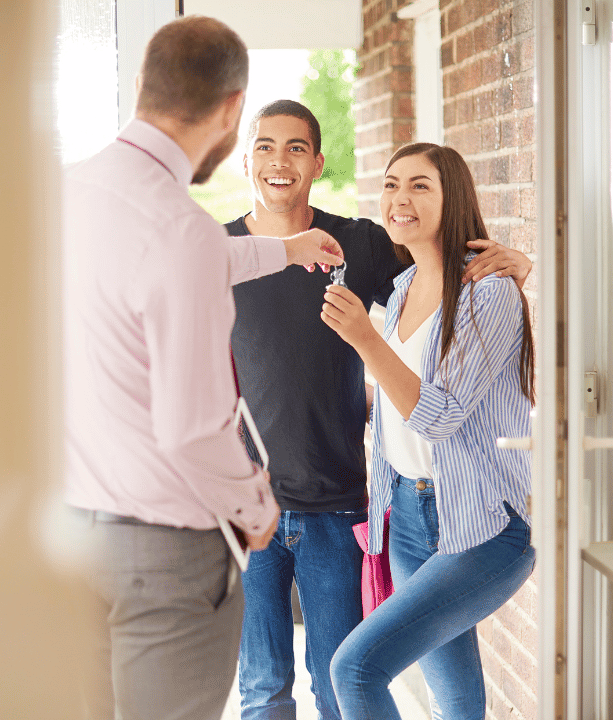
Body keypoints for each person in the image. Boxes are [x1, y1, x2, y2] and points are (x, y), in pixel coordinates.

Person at [60, 17, 347, 720]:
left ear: (140, 88)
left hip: (70, 537)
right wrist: (257, 506)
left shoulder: (65, 193)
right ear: (230, 111)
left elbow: (176, 265)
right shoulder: (179, 228)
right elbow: (192, 429)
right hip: (166, 559)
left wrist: (287, 249)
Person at [227, 103, 532, 720]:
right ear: (246, 159)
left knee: (343, 679)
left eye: (294, 148)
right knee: (262, 688)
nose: (278, 161)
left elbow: (448, 275)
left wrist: (521, 264)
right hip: (252, 505)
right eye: (264, 147)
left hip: (350, 506)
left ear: (317, 162)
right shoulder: (220, 254)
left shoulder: (360, 247)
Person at [319, 143, 537, 720]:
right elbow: (395, 404)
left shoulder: (487, 293)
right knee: (456, 696)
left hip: (482, 525)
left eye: (420, 186)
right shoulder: (401, 290)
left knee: (356, 668)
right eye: (391, 185)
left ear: (453, 199)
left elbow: (439, 415)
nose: (399, 198)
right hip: (409, 518)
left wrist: (365, 340)